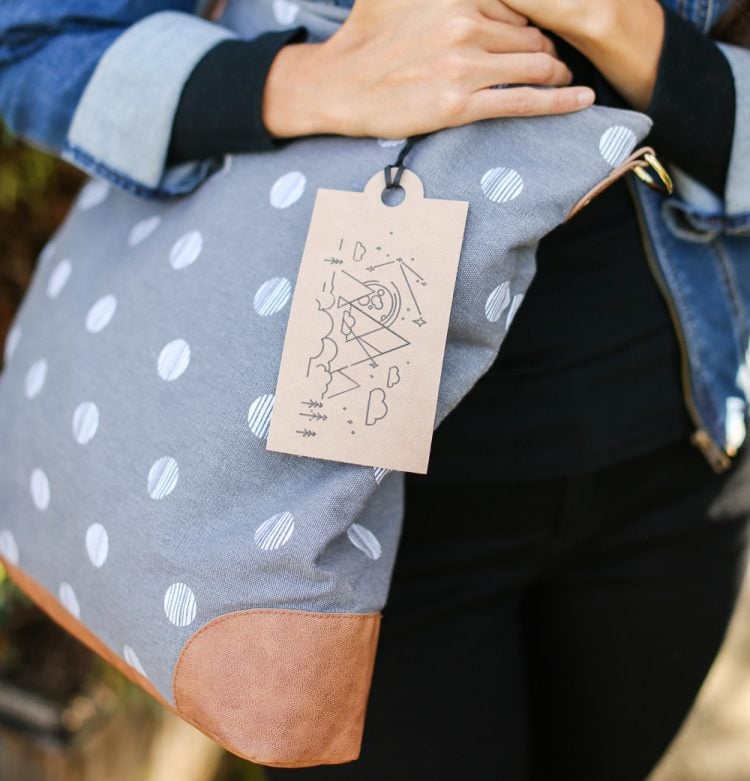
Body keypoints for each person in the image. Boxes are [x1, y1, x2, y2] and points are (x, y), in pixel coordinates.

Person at [1, 0, 749, 778]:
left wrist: (630, 30)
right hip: (340, 533)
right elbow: (37, 46)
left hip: (674, 469)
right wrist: (301, 80)